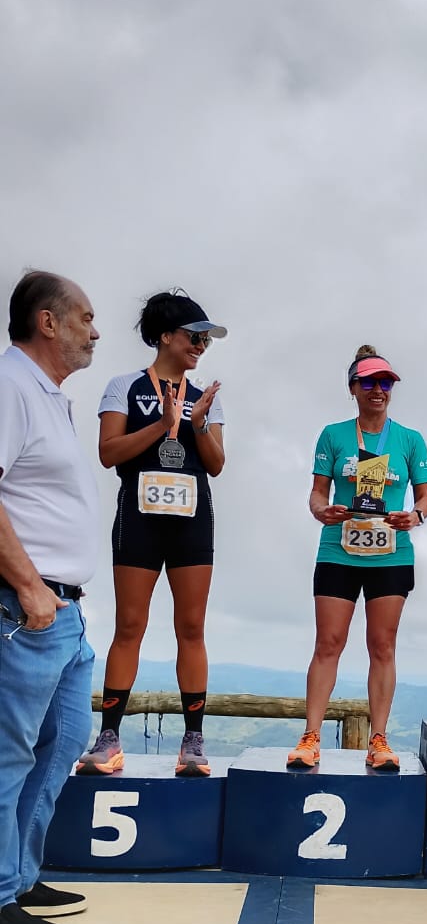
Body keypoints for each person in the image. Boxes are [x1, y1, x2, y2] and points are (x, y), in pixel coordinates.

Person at [77, 290, 227, 779]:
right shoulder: (124, 386)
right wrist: (162, 424)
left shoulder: (205, 395)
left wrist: (197, 425)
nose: (201, 345)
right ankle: (109, 738)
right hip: (139, 519)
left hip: (192, 521)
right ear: (165, 336)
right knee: (129, 626)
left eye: (206, 339)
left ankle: (193, 740)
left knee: (191, 629)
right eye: (193, 336)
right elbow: (109, 451)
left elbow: (217, 465)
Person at [0, 271, 100, 924]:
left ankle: (20, 874)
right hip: (27, 606)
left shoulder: (51, 396)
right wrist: (31, 586)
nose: (95, 331)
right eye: (87, 318)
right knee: (8, 753)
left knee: (63, 740)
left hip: (64, 613)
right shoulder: (9, 385)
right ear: (48, 322)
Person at [287, 346, 427, 771]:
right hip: (338, 547)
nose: (378, 390)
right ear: (353, 388)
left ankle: (379, 739)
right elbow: (317, 492)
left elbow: (423, 497)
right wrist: (320, 510)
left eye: (385, 382)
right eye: (368, 382)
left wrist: (416, 515)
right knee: (328, 643)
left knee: (382, 646)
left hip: (391, 552)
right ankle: (311, 736)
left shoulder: (410, 440)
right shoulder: (333, 435)